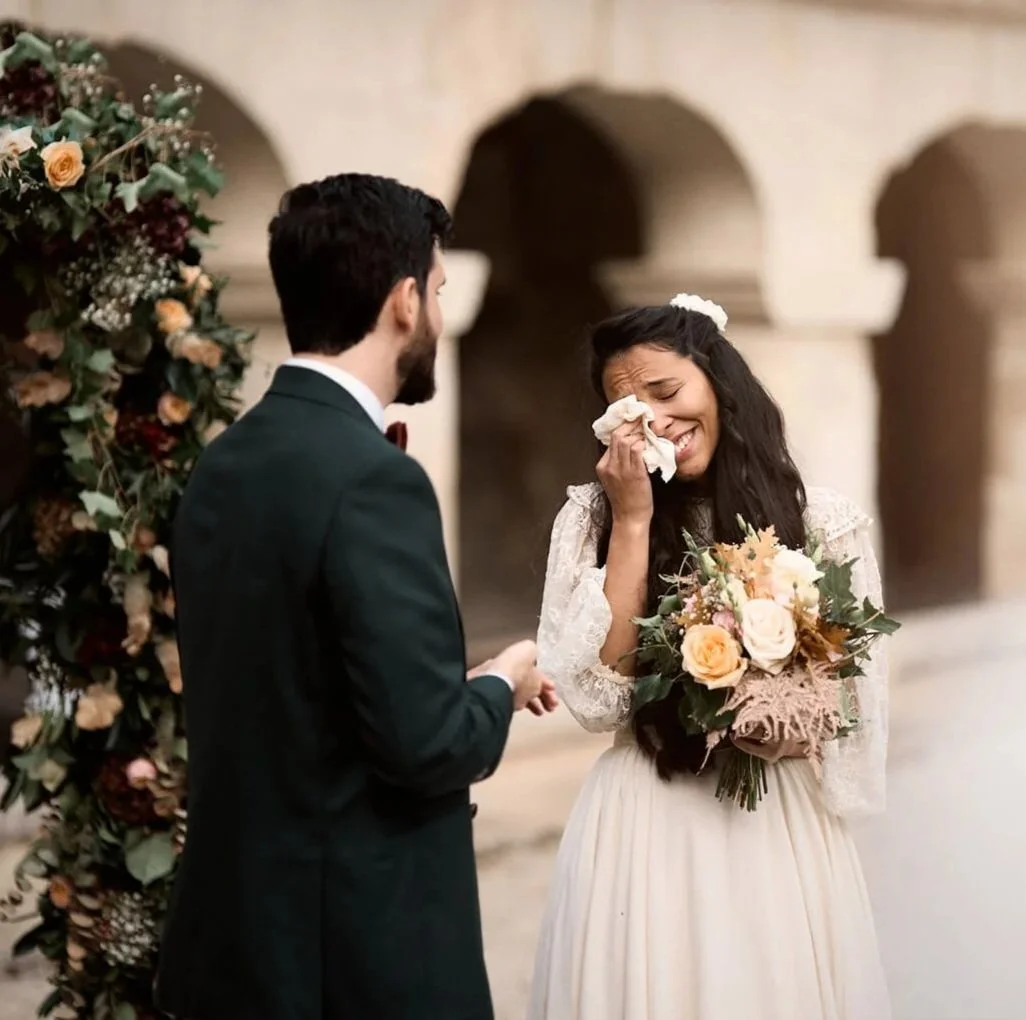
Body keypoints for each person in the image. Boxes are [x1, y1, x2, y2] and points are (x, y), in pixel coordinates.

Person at [156, 173, 556, 1020]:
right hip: (356, 959)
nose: (441, 317)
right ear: (405, 301)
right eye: (441, 291)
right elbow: (428, 744)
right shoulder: (375, 482)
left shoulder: (222, 464)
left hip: (235, 950)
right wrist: (502, 679)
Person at [528, 298, 890, 1020]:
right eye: (627, 407)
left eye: (666, 392)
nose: (654, 421)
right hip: (647, 822)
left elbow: (856, 704)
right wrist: (631, 517)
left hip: (775, 821)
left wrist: (792, 724)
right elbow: (601, 701)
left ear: (718, 382)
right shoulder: (591, 521)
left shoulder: (820, 521)